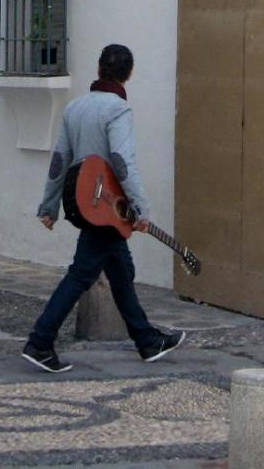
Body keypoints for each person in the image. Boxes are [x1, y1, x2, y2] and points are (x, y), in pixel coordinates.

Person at [21, 44, 186, 373]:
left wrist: (49, 206)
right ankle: (40, 341)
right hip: (107, 207)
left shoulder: (75, 108)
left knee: (121, 272)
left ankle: (147, 341)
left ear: (98, 69)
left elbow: (59, 161)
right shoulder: (118, 110)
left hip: (86, 202)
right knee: (81, 274)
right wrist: (141, 208)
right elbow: (123, 162)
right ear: (130, 74)